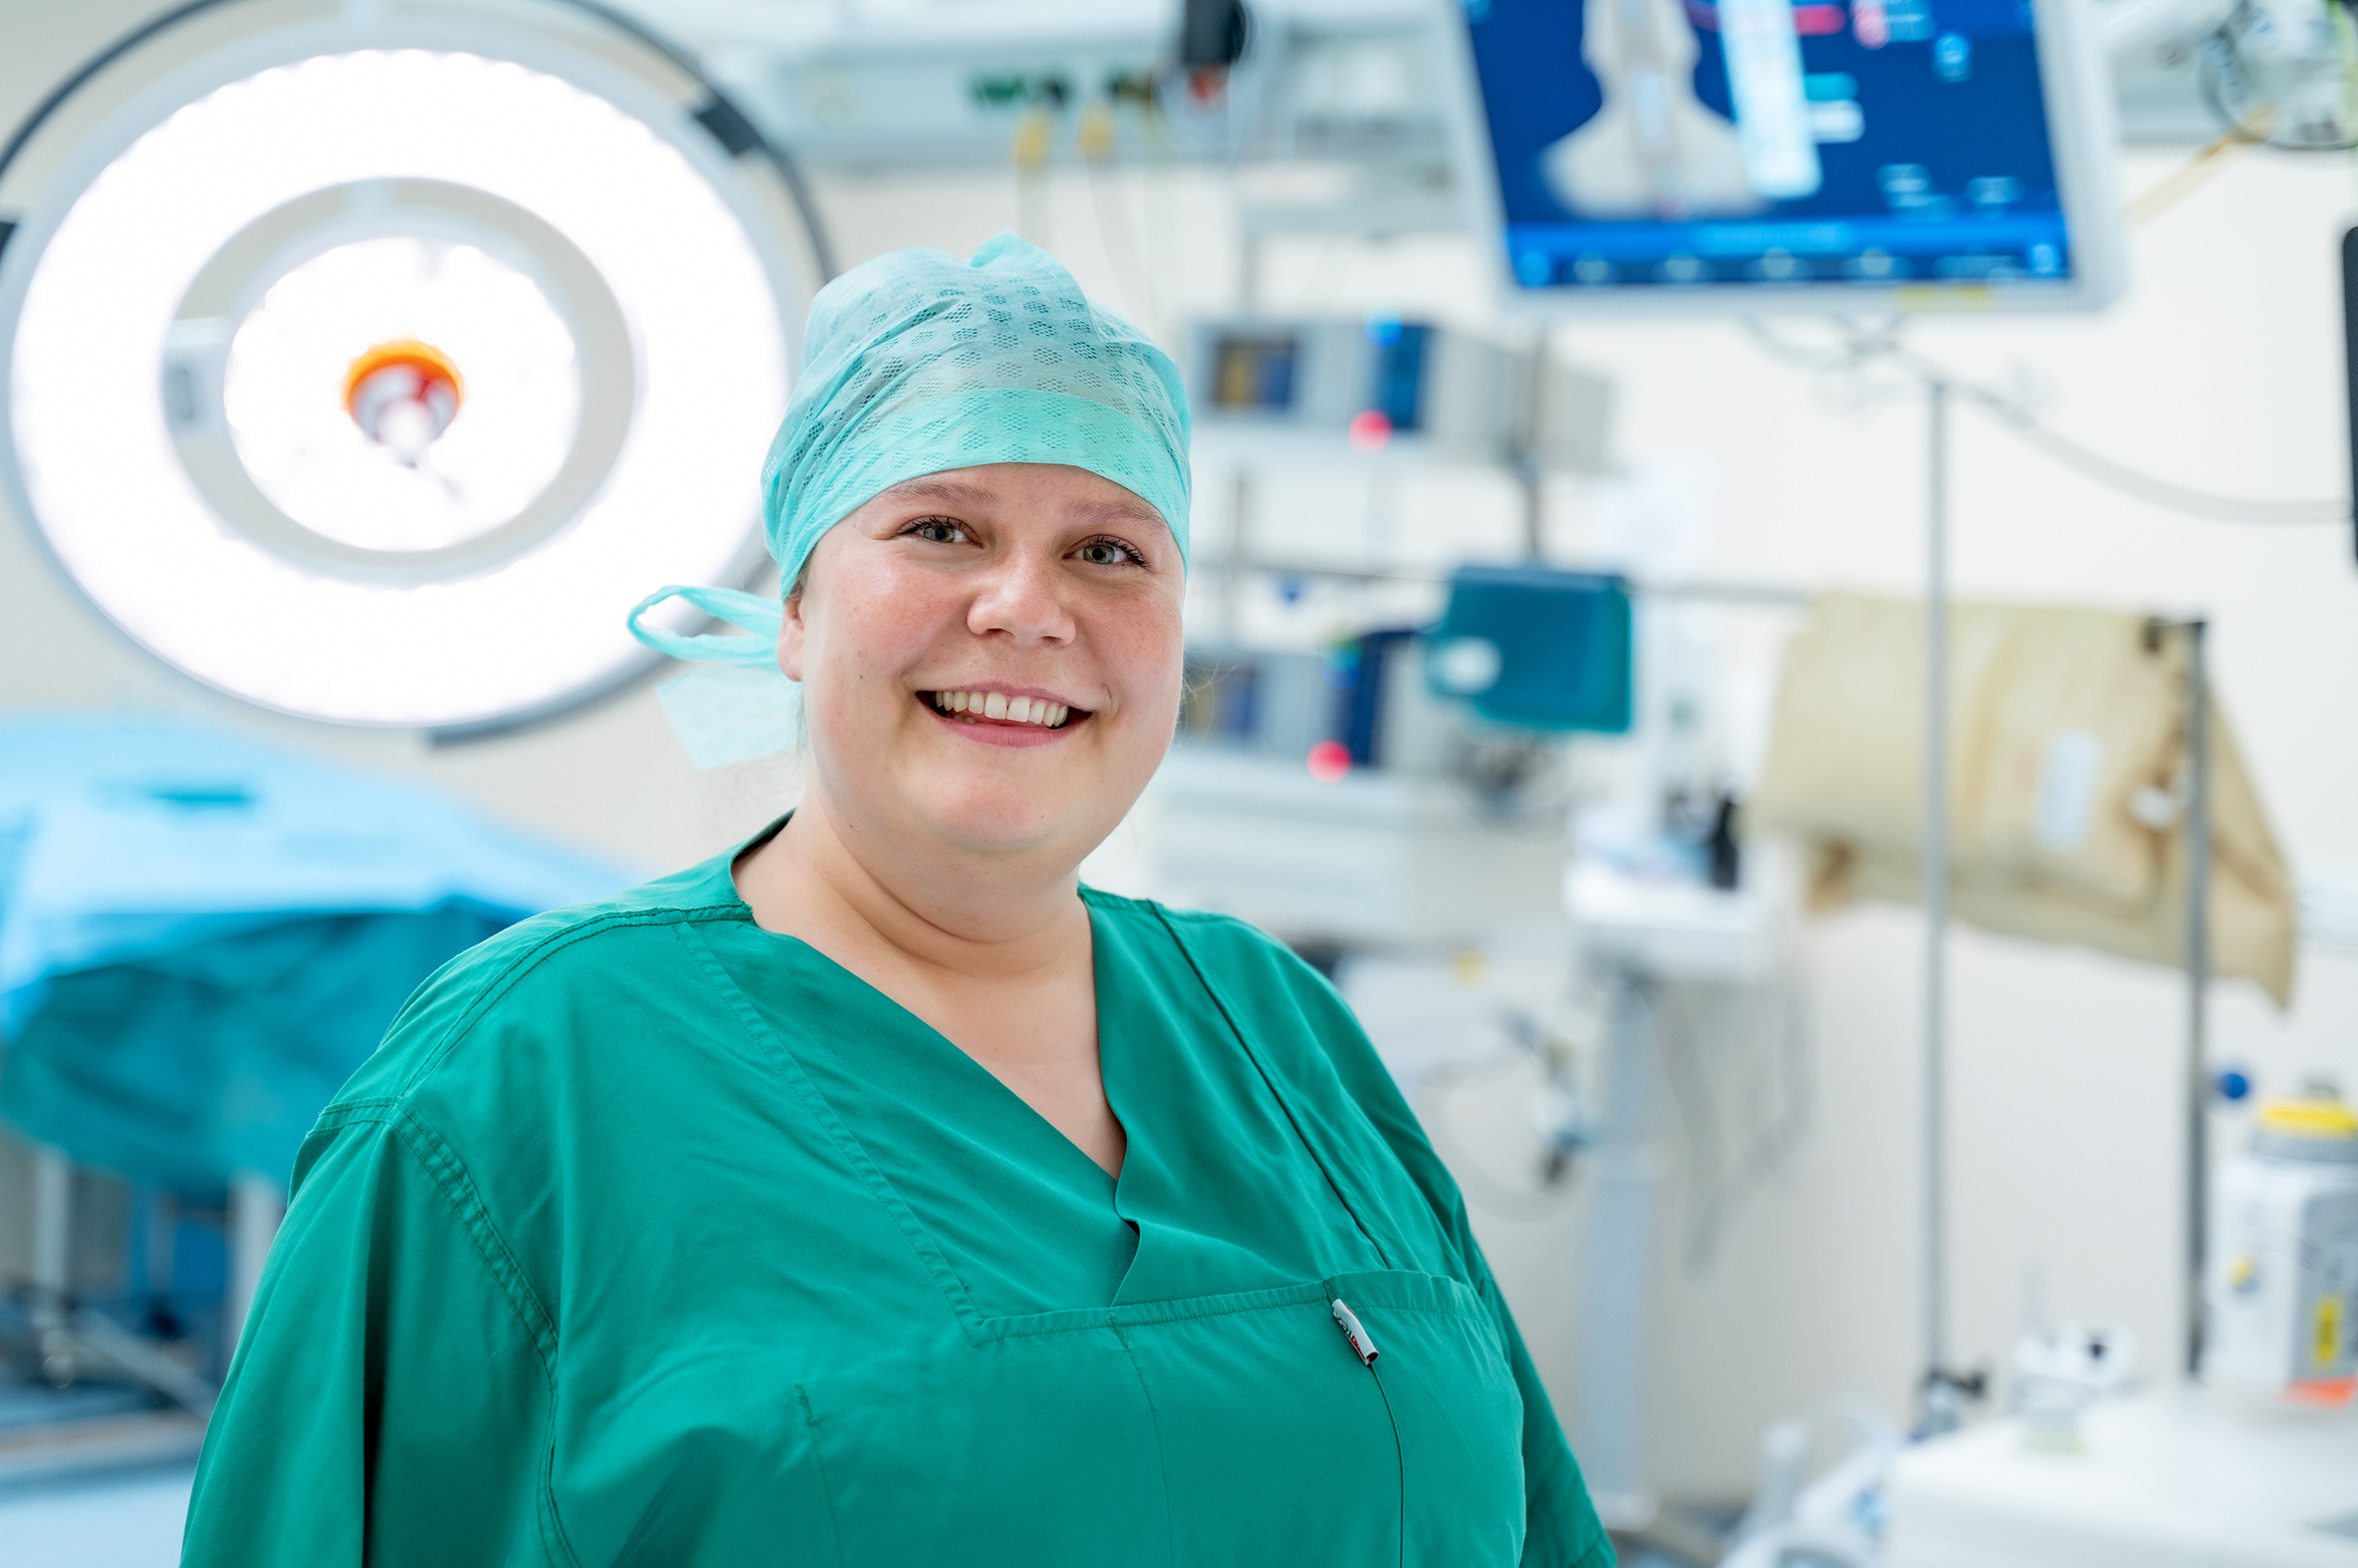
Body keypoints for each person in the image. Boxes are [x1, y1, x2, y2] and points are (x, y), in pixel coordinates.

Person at [180, 234, 1613, 1568]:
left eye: (1108, 550)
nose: (1024, 608)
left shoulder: (1276, 1032)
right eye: (940, 528)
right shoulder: (516, 1085)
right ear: (795, 613)